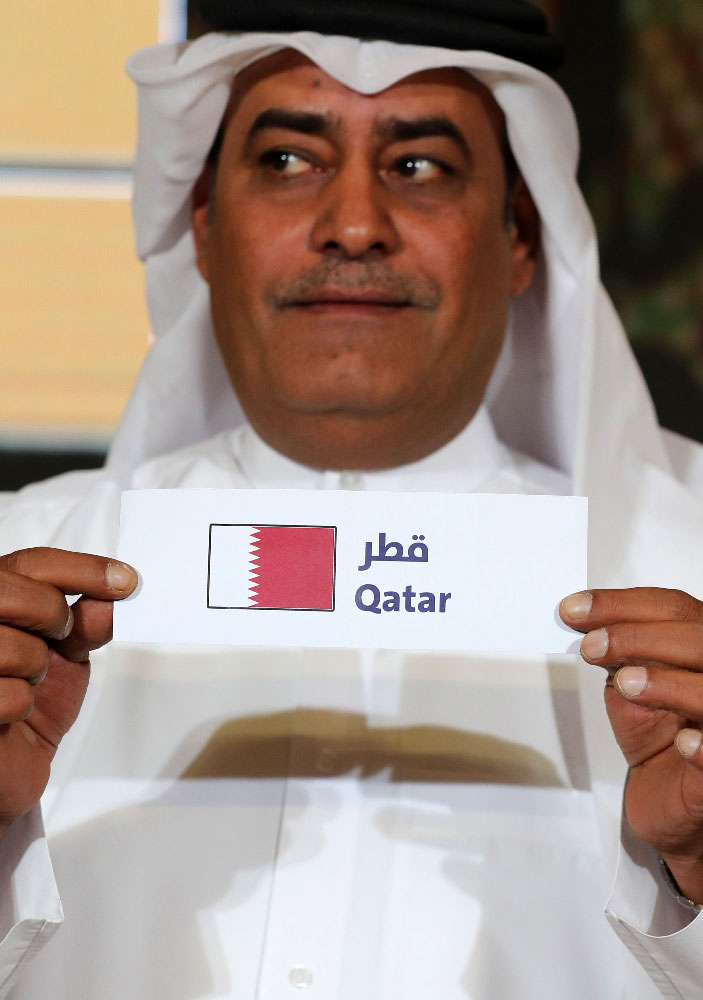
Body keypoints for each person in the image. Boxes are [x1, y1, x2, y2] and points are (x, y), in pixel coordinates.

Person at [1, 2, 702, 996]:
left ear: (518, 237)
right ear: (202, 226)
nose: (355, 225)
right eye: (289, 160)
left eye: (419, 165)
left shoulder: (688, 570)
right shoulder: (17, 577)